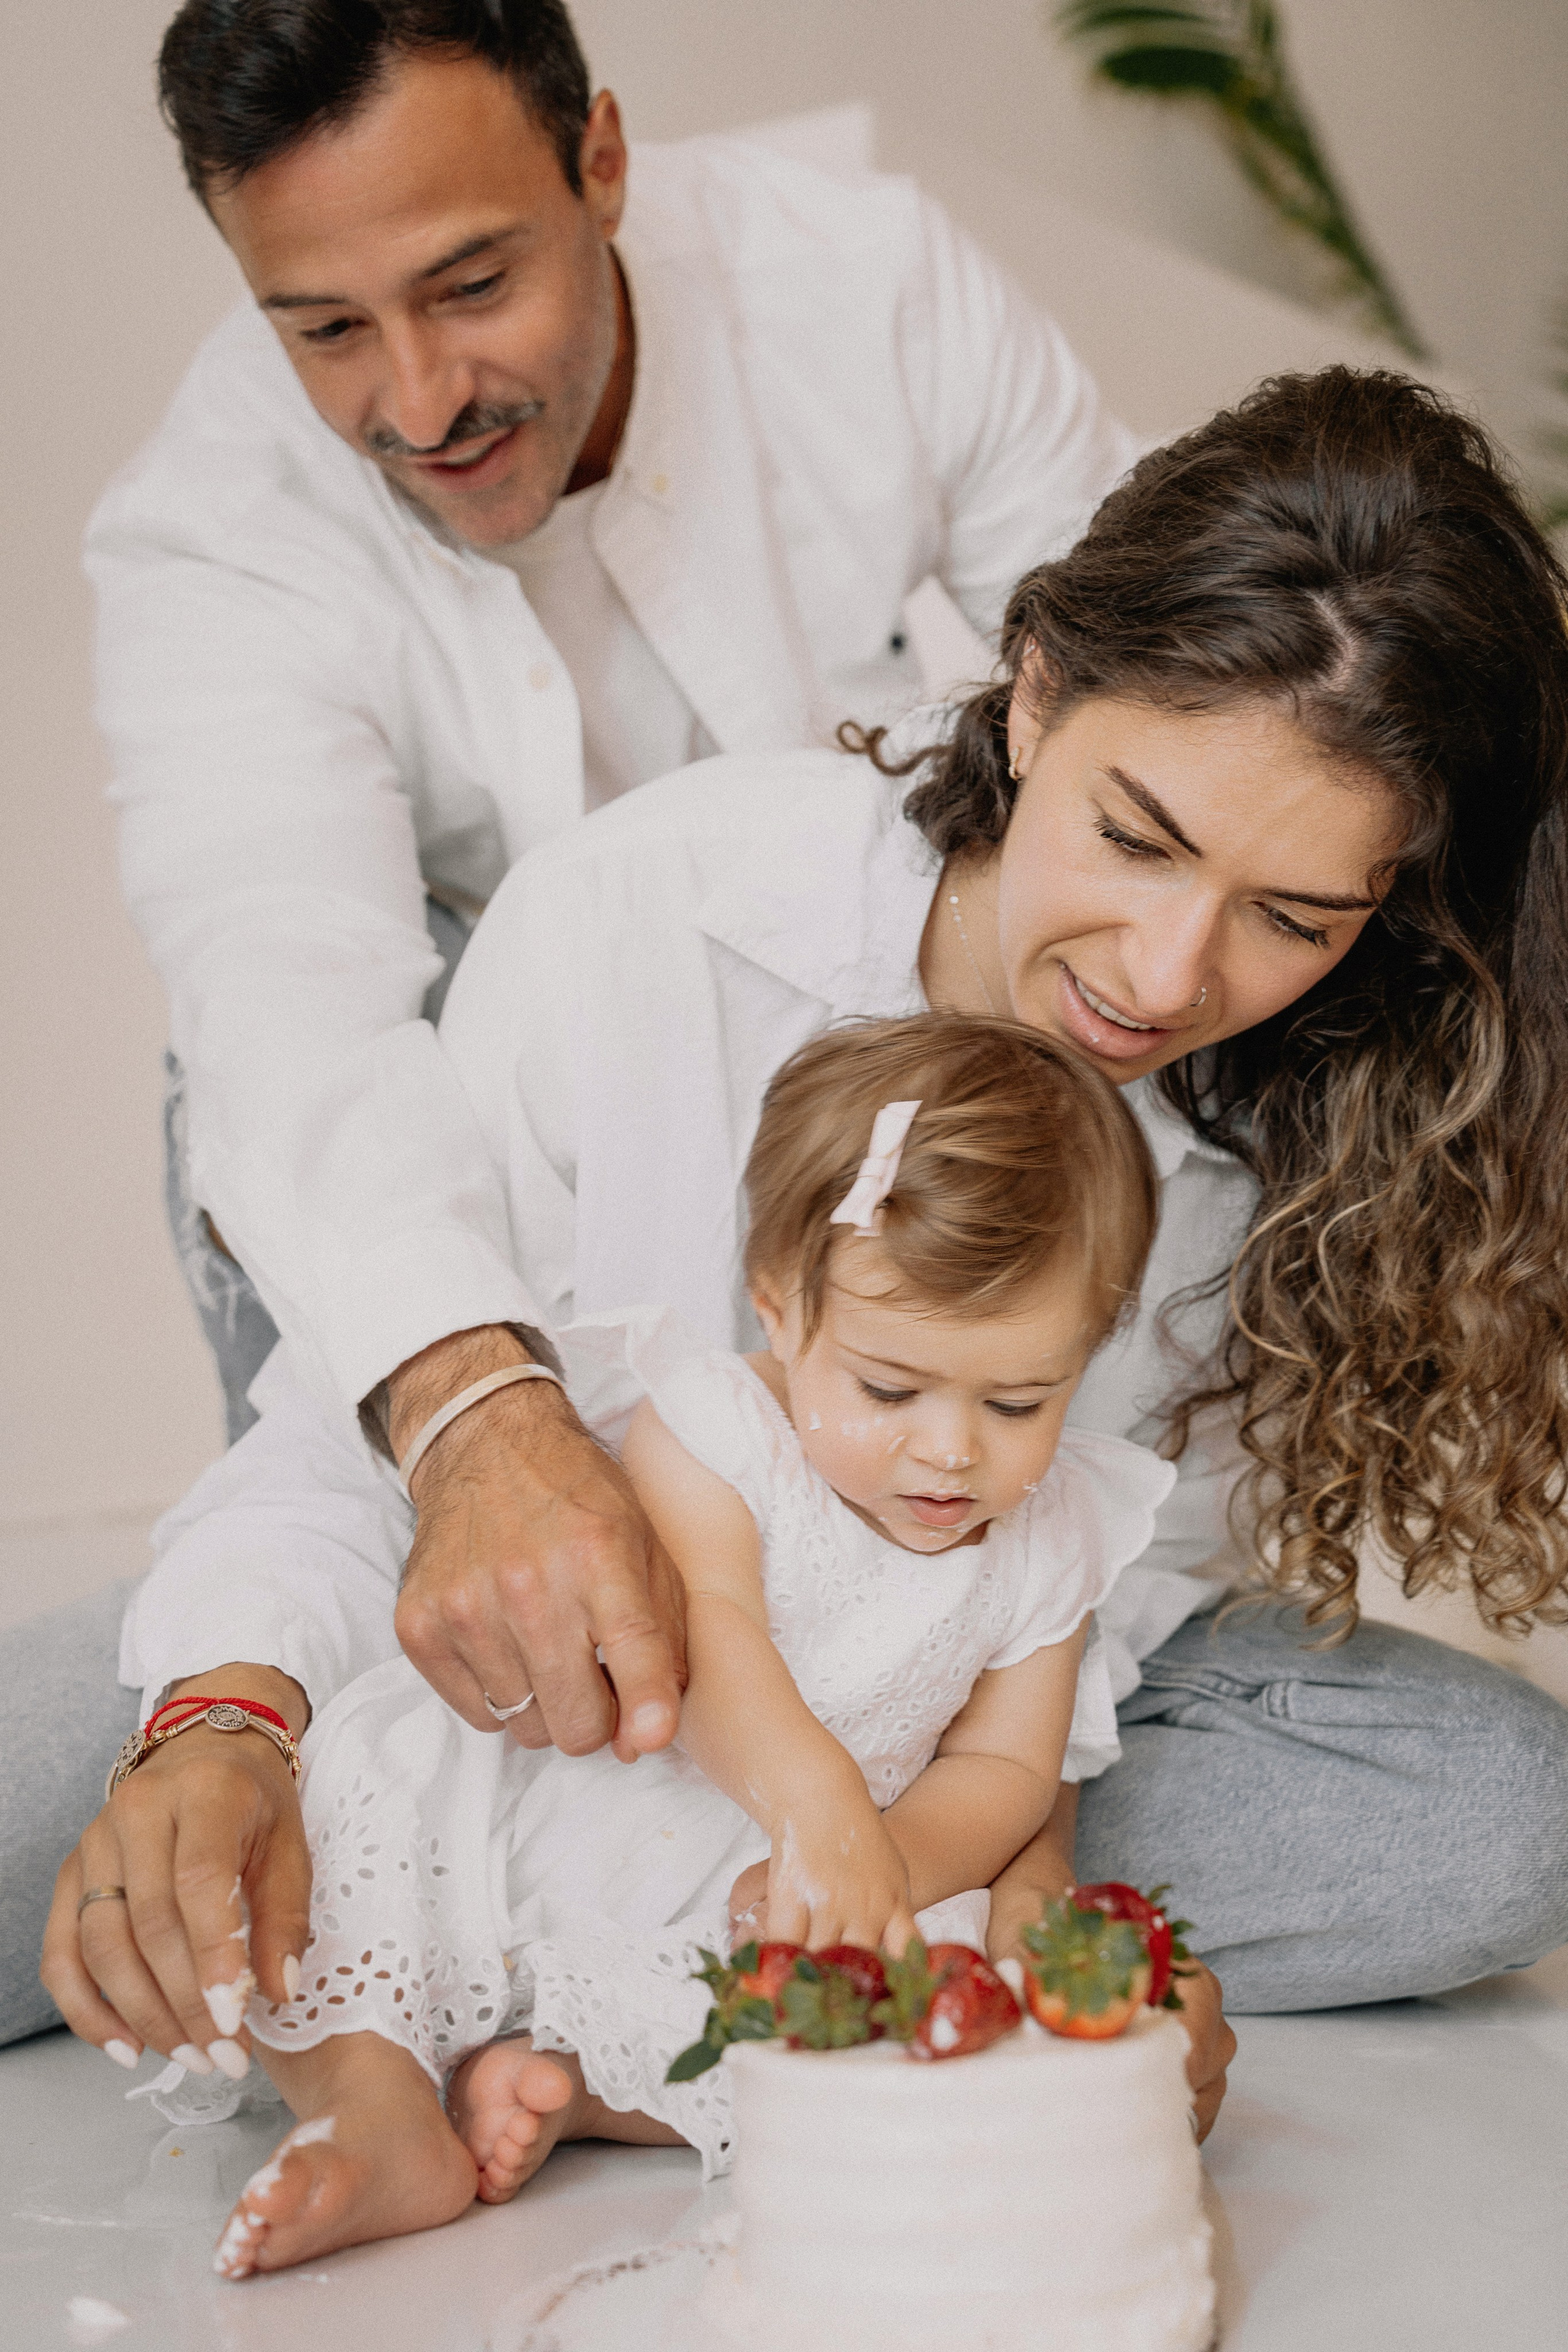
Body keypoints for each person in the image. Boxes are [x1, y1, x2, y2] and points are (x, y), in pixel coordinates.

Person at [39, 371, 1568, 2141]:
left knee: (1496, 1816)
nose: (1162, 978)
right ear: (1039, 688)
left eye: (1293, 917)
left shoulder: (1292, 1138)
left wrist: (1030, 1914)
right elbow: (354, 1436)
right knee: (126, 1856)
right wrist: (228, 1710)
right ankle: (440, 1891)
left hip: (919, 1751)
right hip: (489, 1699)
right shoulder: (659, 917)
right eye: (1135, 838)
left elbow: (1097, 1614)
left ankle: (618, 2011)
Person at [45, 0, 1140, 1915]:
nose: (415, 395)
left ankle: (875, 1780)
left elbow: (1163, 702)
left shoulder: (864, 288)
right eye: (322, 328)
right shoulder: (211, 533)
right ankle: (273, 1712)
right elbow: (288, 1003)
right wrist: (475, 1415)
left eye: (473, 283)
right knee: (394, 1663)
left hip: (859, 1146)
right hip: (467, 1137)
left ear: (603, 164)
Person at [203, 1014, 1175, 2274]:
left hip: (753, 1883)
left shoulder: (1052, 1536)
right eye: (890, 1390)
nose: (950, 1450)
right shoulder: (711, 1427)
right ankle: (376, 2107)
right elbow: (703, 1632)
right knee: (339, 1841)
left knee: (878, 2020)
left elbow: (1003, 1769)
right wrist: (814, 1800)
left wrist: (871, 1862)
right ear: (778, 1309)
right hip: (568, 1805)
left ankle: (574, 2089)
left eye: (1017, 1401)